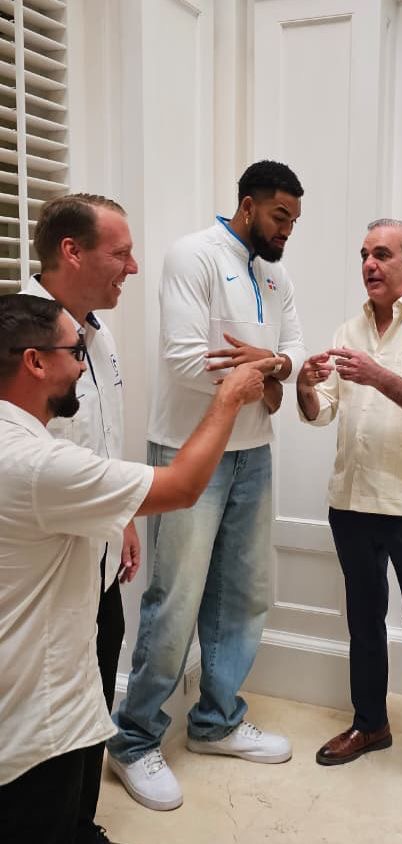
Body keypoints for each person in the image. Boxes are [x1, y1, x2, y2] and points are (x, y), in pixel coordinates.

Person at [0, 294, 278, 844]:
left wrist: (118, 515)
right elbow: (183, 487)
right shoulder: (35, 463)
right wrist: (228, 398)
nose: (83, 366)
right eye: (74, 353)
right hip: (35, 720)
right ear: (34, 362)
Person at [107, 160, 306, 811]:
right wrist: (269, 373)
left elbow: (298, 352)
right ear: (248, 205)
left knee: (243, 594)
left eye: (294, 220)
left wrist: (271, 363)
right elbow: (186, 359)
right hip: (187, 450)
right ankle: (133, 739)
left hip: (255, 454)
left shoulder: (276, 273)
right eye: (279, 216)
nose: (286, 230)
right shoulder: (191, 255)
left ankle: (216, 723)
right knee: (176, 599)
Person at [297, 219, 402, 809]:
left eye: (382, 254)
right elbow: (322, 411)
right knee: (364, 624)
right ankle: (370, 724)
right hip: (351, 503)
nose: (369, 264)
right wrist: (305, 385)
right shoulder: (347, 330)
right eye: (364, 254)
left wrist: (379, 377)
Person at [21, 193, 140, 844]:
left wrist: (123, 518)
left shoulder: (98, 334)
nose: (133, 267)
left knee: (93, 702)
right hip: (43, 579)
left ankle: (81, 824)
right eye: (121, 253)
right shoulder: (18, 338)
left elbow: (102, 441)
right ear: (72, 251)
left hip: (99, 565)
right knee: (46, 721)